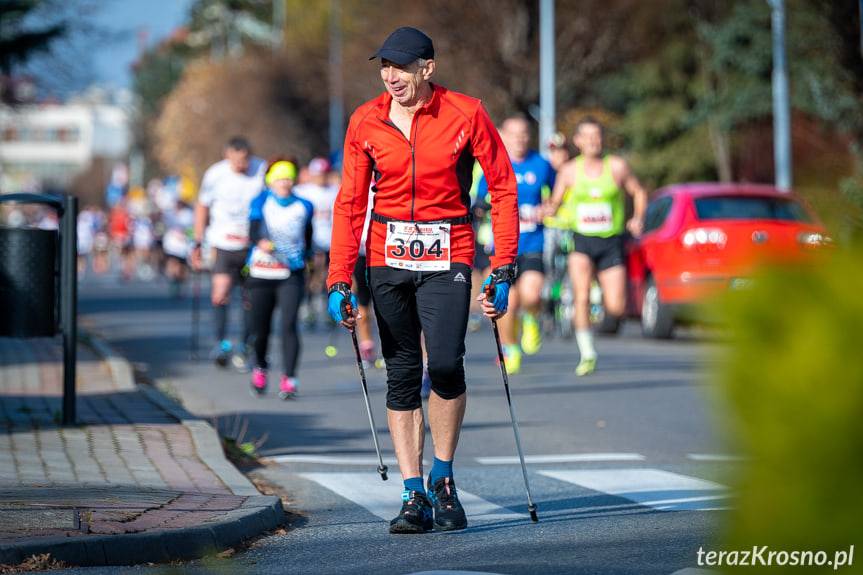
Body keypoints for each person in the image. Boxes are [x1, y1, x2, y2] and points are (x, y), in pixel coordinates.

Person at [326, 26, 519, 534]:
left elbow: (502, 188)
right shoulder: (365, 120)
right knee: (403, 372)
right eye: (385, 67)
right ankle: (413, 492)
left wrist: (504, 265)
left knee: (448, 365)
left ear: (427, 68)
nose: (391, 77)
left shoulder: (466, 113)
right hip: (386, 256)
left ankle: (443, 477)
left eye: (402, 67)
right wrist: (338, 278)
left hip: (448, 252)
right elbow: (350, 203)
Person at [545, 117, 647, 376]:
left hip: (611, 241)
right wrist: (548, 209)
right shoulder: (569, 171)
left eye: (597, 135)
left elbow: (638, 192)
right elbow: (556, 201)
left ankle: (598, 297)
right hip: (581, 240)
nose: (593, 141)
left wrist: (638, 217)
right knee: (580, 297)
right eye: (587, 136)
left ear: (602, 139)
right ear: (578, 141)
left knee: (616, 306)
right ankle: (587, 353)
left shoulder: (617, 166)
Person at [476, 116, 555, 373]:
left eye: (524, 133)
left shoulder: (541, 165)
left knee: (531, 294)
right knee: (506, 299)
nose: (519, 139)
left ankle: (531, 316)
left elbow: (558, 194)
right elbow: (479, 202)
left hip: (532, 242)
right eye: (514, 134)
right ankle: (510, 348)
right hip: (501, 246)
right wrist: (482, 208)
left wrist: (549, 207)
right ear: (503, 136)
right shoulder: (493, 165)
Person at [191, 136, 266, 369]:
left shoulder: (261, 170)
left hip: (251, 244)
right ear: (227, 155)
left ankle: (245, 344)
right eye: (236, 160)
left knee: (249, 298)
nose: (241, 165)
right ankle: (221, 343)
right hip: (222, 242)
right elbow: (202, 206)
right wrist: (198, 240)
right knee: (220, 292)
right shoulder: (215, 174)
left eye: (245, 160)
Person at [246, 160, 313, 399]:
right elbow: (252, 231)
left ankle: (290, 379)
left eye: (288, 178)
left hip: (290, 274)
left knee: (289, 325)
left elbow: (308, 236)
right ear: (271, 181)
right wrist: (261, 241)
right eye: (280, 179)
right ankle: (260, 366)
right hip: (262, 272)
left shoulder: (304, 205)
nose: (284, 183)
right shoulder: (261, 202)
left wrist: (307, 258)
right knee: (260, 328)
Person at [293, 157, 339, 328]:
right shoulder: (303, 191)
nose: (321, 177)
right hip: (310, 242)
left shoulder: (335, 191)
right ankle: (308, 306)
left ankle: (329, 308)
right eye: (318, 174)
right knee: (310, 276)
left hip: (330, 241)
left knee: (328, 276)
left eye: (324, 174)